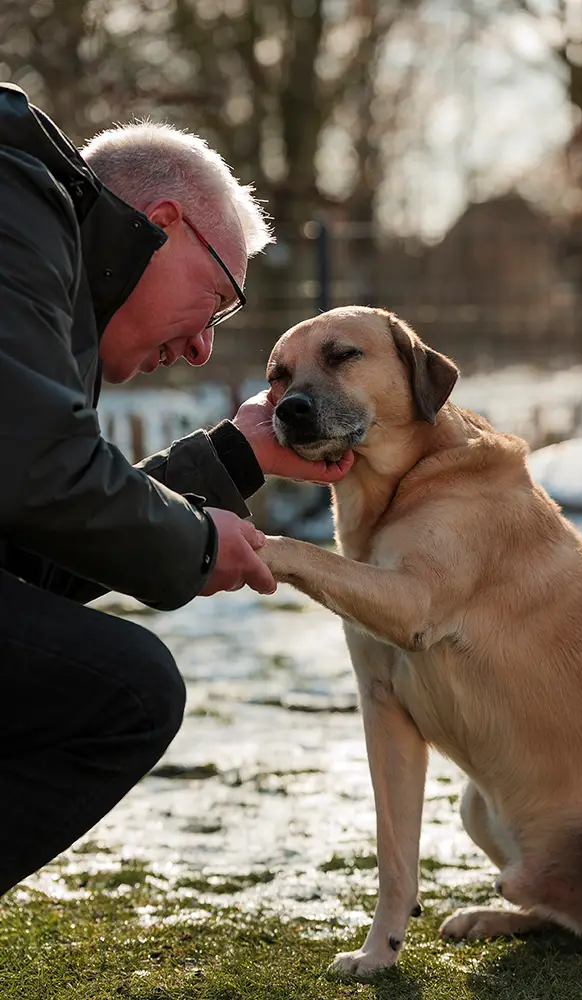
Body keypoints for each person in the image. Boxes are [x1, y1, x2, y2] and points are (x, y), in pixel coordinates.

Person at [0, 83, 352, 895]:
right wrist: (195, 543)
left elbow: (27, 543)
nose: (200, 347)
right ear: (163, 224)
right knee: (124, 690)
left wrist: (234, 459)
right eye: (217, 302)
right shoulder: (14, 208)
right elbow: (35, 470)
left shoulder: (46, 273)